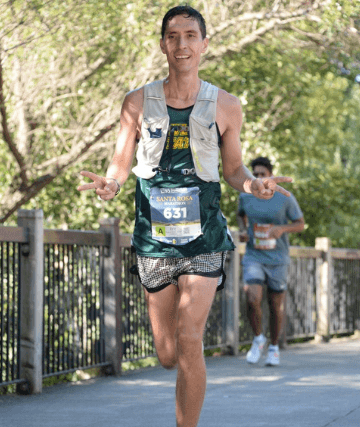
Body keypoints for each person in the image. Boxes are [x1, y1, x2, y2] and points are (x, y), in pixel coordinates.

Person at [76, 6, 292, 426]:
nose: (182, 44)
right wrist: (112, 182)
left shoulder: (226, 105)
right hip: (154, 242)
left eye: (191, 35)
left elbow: (233, 170)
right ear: (163, 45)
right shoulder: (137, 102)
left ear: (204, 44)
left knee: (190, 339)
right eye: (173, 36)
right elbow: (121, 162)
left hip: (204, 240)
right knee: (167, 353)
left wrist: (254, 185)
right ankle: (171, 346)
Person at [237, 157, 304, 367]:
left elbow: (300, 224)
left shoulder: (285, 198)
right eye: (254, 173)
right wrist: (243, 231)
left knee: (276, 305)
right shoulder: (245, 196)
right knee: (251, 296)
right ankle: (258, 339)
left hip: (278, 258)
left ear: (271, 175)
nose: (257, 177)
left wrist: (282, 229)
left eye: (262, 174)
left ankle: (274, 348)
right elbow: (241, 216)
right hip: (254, 255)